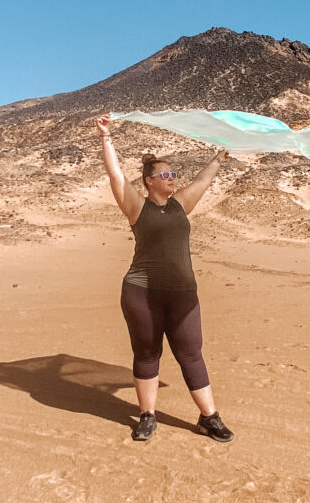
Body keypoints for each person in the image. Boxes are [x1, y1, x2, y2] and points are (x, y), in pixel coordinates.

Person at [95, 113, 234, 442]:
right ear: (149, 181)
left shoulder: (180, 205)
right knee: (147, 353)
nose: (173, 178)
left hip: (183, 294)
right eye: (165, 175)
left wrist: (218, 159)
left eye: (174, 174)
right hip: (142, 292)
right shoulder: (136, 207)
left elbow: (202, 181)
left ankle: (209, 417)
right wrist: (105, 138)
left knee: (191, 353)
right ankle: (147, 416)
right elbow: (115, 174)